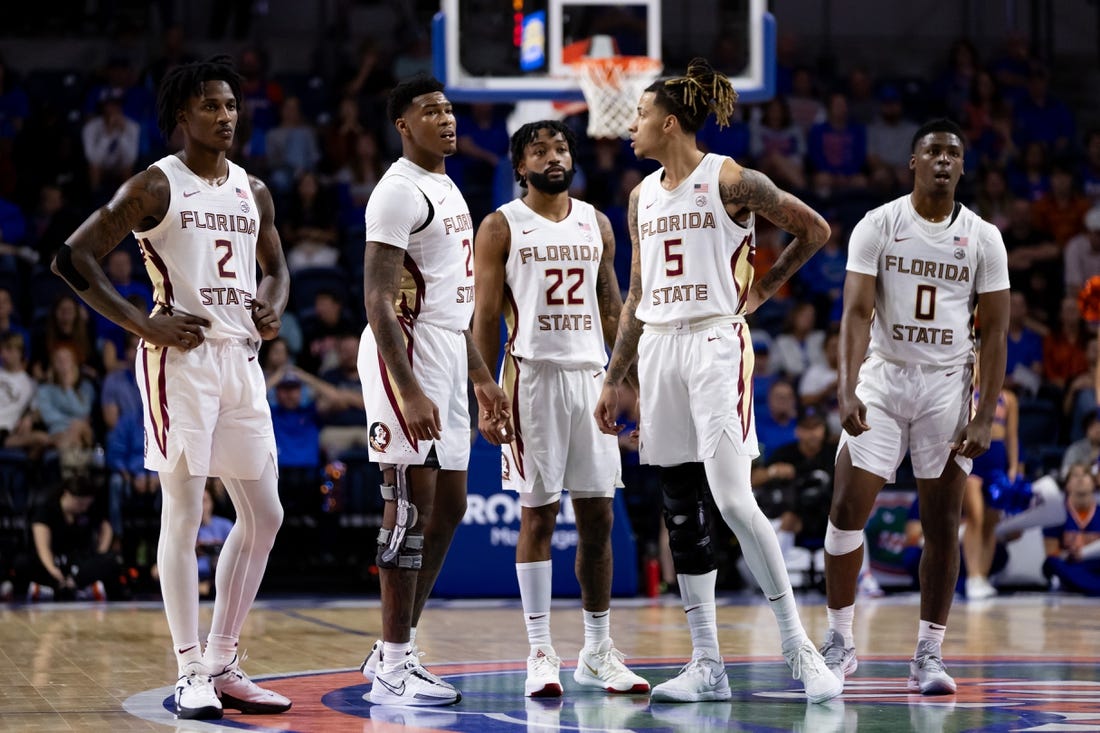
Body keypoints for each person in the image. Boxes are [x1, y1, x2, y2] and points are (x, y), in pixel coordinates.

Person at [592, 57, 841, 705]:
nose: (631, 126)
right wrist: (615, 377)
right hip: (660, 347)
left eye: (641, 114)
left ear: (670, 123)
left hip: (714, 342)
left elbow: (814, 230)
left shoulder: (731, 179)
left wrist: (762, 290)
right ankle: (707, 663)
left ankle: (799, 647)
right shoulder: (640, 197)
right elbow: (637, 294)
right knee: (680, 505)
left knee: (732, 498)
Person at [52, 56, 292, 720]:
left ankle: (222, 660)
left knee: (266, 514)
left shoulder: (253, 190)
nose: (225, 115)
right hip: (179, 363)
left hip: (241, 358)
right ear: (182, 115)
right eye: (211, 105)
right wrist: (142, 323)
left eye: (231, 105)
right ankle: (189, 670)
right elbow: (72, 256)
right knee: (183, 512)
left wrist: (271, 305)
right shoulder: (155, 185)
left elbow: (276, 269)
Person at [818, 118, 1011, 696]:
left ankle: (928, 652)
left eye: (953, 153)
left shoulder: (984, 238)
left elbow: (996, 332)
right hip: (884, 375)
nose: (943, 160)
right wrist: (847, 387)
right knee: (846, 509)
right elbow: (856, 312)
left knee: (942, 524)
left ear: (963, 166)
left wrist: (985, 414)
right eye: (933, 151)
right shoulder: (878, 224)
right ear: (913, 162)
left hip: (946, 385)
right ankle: (839, 640)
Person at [471, 120, 649, 698]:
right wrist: (485, 392)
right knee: (539, 516)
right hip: (532, 378)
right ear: (520, 167)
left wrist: (629, 380)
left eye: (562, 148)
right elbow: (484, 316)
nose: (554, 157)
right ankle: (540, 651)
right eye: (540, 150)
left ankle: (597, 651)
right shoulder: (501, 225)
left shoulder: (597, 222)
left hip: (590, 376)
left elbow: (611, 307)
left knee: (599, 518)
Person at [355, 74, 509, 707]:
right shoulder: (396, 192)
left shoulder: (447, 186)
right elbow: (377, 300)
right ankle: (393, 665)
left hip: (445, 347)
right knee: (409, 506)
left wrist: (481, 378)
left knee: (450, 505)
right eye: (430, 111)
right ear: (403, 125)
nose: (446, 119)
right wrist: (409, 388)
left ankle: (396, 648)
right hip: (406, 351)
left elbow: (453, 303)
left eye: (448, 110)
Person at [962, 362, 1019, 601]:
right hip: (974, 457)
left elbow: (1012, 437)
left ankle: (982, 577)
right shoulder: (966, 392)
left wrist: (1013, 467)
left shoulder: (1008, 399)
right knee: (975, 516)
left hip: (997, 460)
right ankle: (972, 575)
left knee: (991, 522)